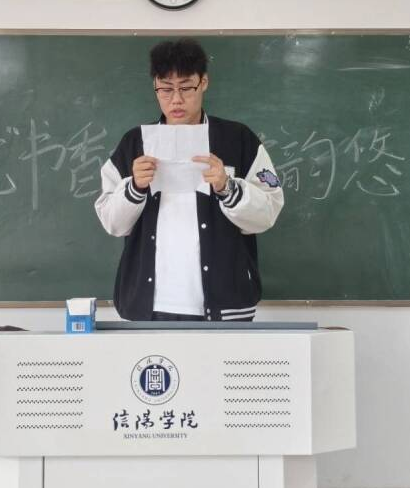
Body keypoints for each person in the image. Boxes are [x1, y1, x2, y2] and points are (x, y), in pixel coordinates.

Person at [94, 38, 284, 321]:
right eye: (165, 89)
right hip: (148, 307)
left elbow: (268, 213)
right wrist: (134, 188)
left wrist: (228, 188)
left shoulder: (238, 140)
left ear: (203, 82)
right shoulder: (134, 143)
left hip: (225, 305)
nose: (176, 99)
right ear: (155, 86)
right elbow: (112, 223)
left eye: (186, 87)